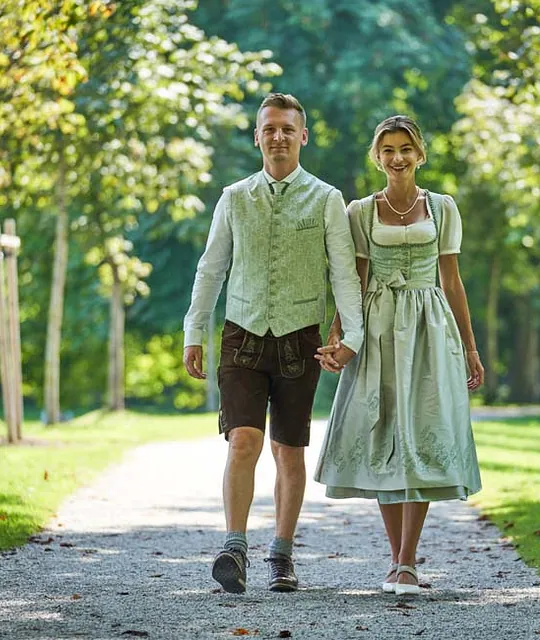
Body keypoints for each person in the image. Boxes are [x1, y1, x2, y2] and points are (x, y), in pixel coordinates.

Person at [183, 93, 363, 594]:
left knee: (289, 451)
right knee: (243, 441)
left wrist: (353, 336)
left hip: (299, 340)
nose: (278, 136)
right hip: (242, 336)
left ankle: (281, 556)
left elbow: (344, 275)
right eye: (270, 128)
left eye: (288, 128)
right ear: (257, 136)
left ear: (302, 136)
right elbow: (211, 268)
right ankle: (233, 548)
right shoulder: (234, 196)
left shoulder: (326, 199)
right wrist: (193, 331)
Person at [314, 115, 483, 596]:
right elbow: (355, 281)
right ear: (377, 157)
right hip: (379, 327)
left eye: (405, 148)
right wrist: (340, 334)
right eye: (387, 149)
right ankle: (396, 561)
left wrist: (470, 347)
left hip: (430, 328)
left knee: (423, 431)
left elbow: (451, 280)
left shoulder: (443, 208)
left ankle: (408, 560)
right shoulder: (360, 211)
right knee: (385, 432)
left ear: (420, 153)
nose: (397, 157)